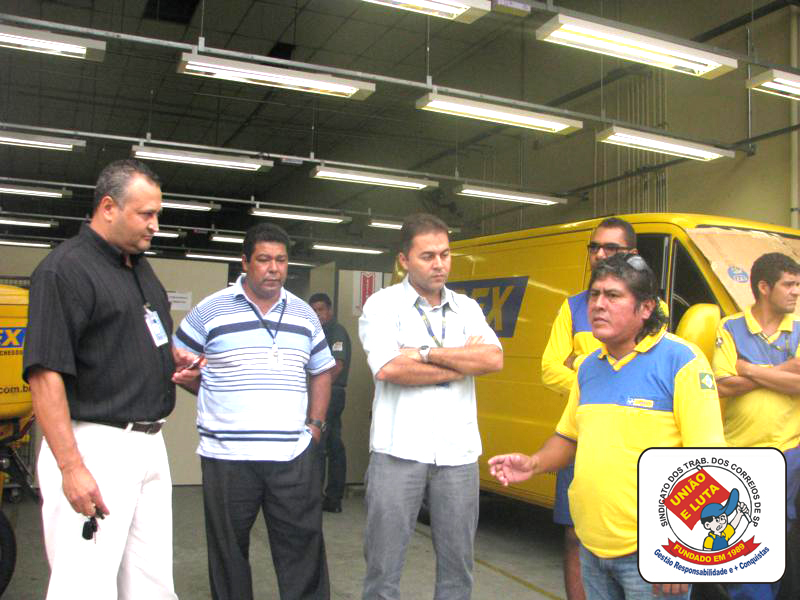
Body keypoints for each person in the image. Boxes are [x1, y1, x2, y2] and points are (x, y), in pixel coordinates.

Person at [490, 253, 725, 600]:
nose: (598, 304)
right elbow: (568, 438)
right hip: (591, 547)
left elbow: (708, 461)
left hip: (652, 552)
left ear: (646, 308)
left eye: (613, 295)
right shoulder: (588, 367)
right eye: (595, 295)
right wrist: (534, 463)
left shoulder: (683, 362)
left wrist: (681, 551)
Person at [22, 159, 202, 599]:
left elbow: (131, 336)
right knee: (84, 585)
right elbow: (45, 375)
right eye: (146, 214)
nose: (156, 225)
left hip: (149, 443)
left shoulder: (138, 267)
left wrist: (168, 359)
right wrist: (71, 467)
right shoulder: (64, 271)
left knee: (151, 583)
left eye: (158, 214)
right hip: (95, 445)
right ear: (107, 208)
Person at [173, 222, 335, 600]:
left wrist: (315, 427)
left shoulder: (304, 314)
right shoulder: (210, 310)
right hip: (227, 458)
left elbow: (322, 370)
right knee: (228, 554)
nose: (274, 268)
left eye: (281, 260)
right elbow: (178, 360)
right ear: (245, 262)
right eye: (264, 259)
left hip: (291, 456)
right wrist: (207, 386)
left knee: (303, 551)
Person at [358, 213, 503, 600]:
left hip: (458, 455)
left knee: (458, 569)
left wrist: (423, 353)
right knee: (383, 569)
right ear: (404, 260)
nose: (439, 264)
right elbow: (389, 369)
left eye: (445, 254)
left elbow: (492, 359)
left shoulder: (467, 308)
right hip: (397, 452)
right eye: (427, 256)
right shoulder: (382, 305)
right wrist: (460, 363)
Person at [540, 216, 639, 600]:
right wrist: (599, 386)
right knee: (574, 536)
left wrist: (583, 367)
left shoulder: (651, 308)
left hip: (632, 442)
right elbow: (550, 369)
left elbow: (650, 372)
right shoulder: (573, 307)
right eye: (594, 247)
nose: (600, 254)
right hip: (581, 439)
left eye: (611, 248)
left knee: (635, 538)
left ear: (632, 253)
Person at [713, 252, 800, 600]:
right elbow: (722, 384)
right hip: (739, 451)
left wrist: (748, 369)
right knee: (741, 537)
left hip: (786, 451)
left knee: (772, 536)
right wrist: (784, 370)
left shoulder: (799, 327)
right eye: (789, 284)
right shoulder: (730, 327)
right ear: (764, 287)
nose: (796, 292)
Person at [309, 292, 352, 514]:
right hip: (329, 393)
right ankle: (333, 497)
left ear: (330, 310)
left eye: (321, 309)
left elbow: (337, 366)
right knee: (334, 444)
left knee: (319, 444)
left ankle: (315, 497)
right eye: (313, 310)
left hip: (331, 394)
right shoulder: (318, 332)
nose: (317, 314)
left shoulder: (336, 332)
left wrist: (318, 394)